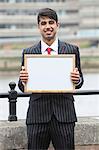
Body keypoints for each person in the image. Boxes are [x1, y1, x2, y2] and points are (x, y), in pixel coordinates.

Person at [18, 8, 84, 150]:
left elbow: (80, 82)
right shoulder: (29, 53)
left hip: (64, 116)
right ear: (39, 27)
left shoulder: (71, 50)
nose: (47, 26)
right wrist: (23, 80)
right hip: (37, 117)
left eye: (51, 22)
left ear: (57, 25)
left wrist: (77, 79)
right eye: (43, 23)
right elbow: (22, 86)